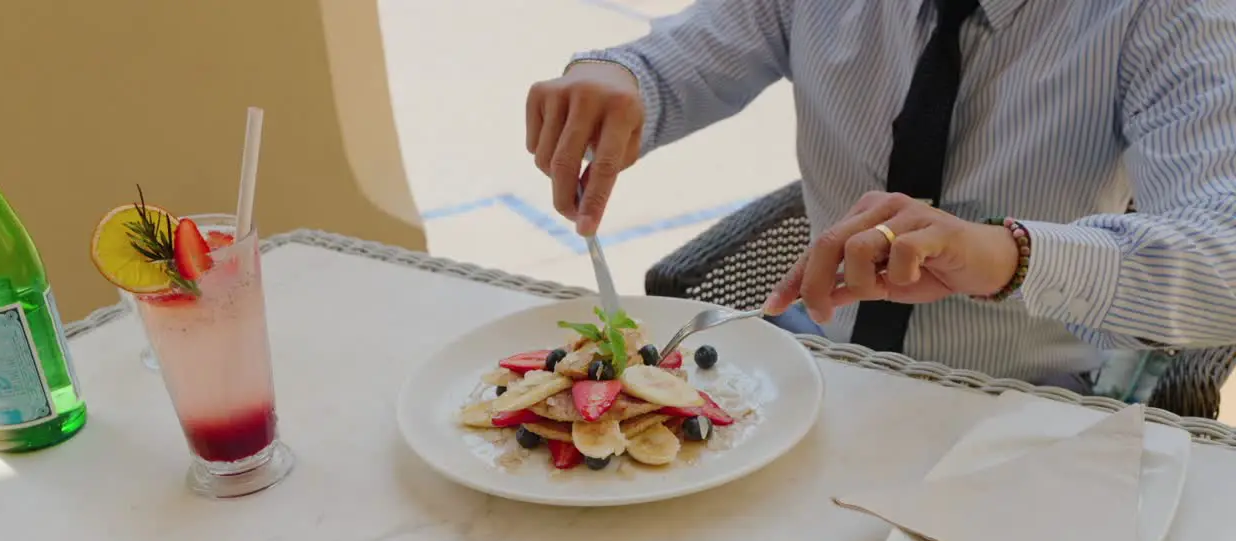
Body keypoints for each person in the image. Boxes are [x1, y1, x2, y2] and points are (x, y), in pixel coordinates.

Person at [524, 0, 1236, 391]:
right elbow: (682, 58)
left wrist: (1007, 255)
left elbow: (1225, 259)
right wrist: (618, 77)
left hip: (1027, 401)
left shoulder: (1172, 17)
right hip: (815, 364)